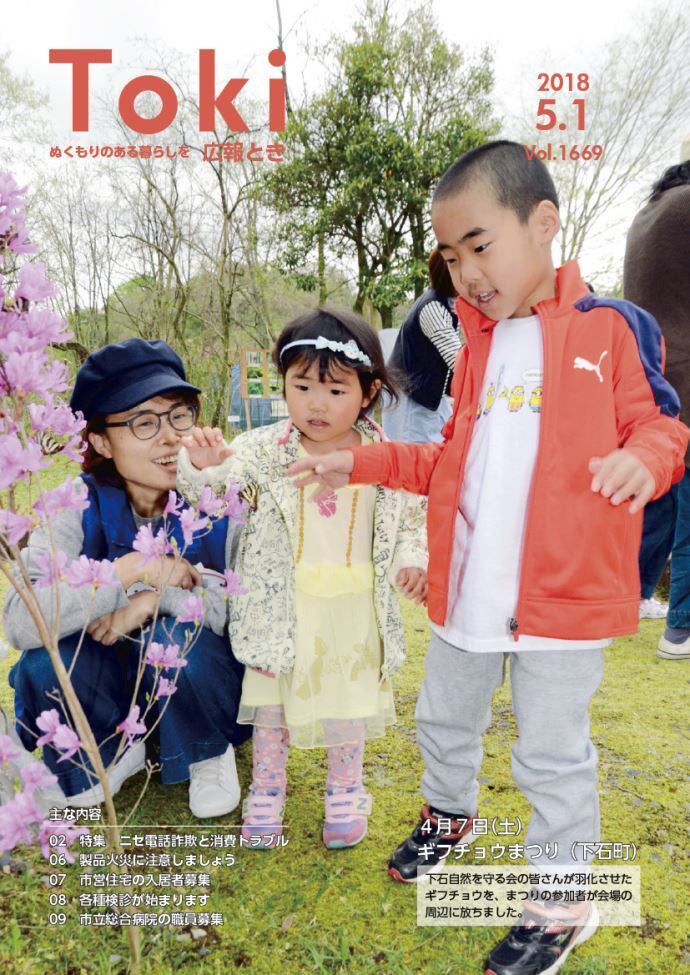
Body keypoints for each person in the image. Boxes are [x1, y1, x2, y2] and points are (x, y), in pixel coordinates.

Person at [288, 142, 689, 975]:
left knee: (551, 753)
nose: (466, 270)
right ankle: (450, 814)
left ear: (542, 224)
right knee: (443, 718)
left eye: (481, 244)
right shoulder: (475, 347)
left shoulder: (609, 329)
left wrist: (643, 460)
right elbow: (443, 464)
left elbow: (664, 425)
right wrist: (354, 459)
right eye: (450, 254)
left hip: (561, 600)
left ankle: (562, 900)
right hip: (469, 591)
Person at [176, 309, 427, 849]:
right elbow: (220, 501)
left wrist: (413, 560)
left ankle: (344, 790)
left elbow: (412, 520)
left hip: (354, 605)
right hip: (281, 603)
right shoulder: (260, 452)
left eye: (335, 389)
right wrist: (207, 468)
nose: (317, 403)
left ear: (368, 392)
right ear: (282, 384)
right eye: (302, 385)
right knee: (272, 704)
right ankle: (266, 794)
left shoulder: (387, 458)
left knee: (347, 700)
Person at [4, 338, 250, 816]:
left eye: (179, 414)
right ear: (99, 440)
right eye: (143, 422)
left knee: (173, 638)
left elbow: (244, 611)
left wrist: (153, 600)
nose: (170, 437)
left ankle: (206, 749)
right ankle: (110, 751)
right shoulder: (73, 504)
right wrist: (133, 570)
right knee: (41, 662)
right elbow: (20, 622)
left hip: (203, 683)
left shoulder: (215, 493)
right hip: (112, 686)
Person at [625, 160, 690, 656]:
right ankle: (681, 628)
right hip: (686, 378)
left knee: (657, 503)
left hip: (646, 378)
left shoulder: (646, 216)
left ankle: (623, 600)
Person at [383, 248, 462, 443]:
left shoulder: (449, 302)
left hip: (429, 393)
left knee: (439, 447)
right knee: (414, 455)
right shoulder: (433, 308)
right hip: (410, 395)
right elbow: (458, 361)